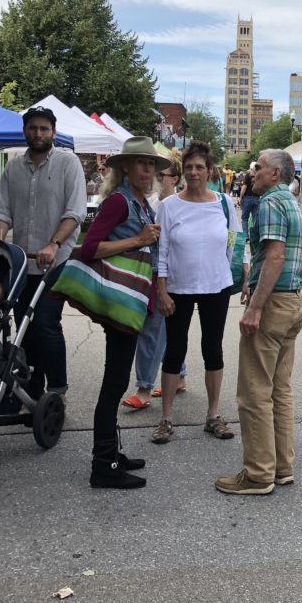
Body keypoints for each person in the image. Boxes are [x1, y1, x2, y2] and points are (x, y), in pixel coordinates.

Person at [215, 148, 302, 495]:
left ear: (276, 174)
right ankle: (281, 467)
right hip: (293, 301)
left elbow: (275, 255)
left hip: (274, 304)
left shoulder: (270, 202)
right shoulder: (295, 204)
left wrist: (255, 306)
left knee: (255, 391)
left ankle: (258, 474)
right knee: (279, 389)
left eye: (259, 167)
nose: (253, 172)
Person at [79, 136, 167, 490]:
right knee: (114, 382)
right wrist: (137, 240)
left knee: (117, 379)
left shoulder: (142, 204)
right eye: (141, 164)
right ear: (125, 167)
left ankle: (112, 450)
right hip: (119, 302)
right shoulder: (118, 202)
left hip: (134, 301)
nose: (148, 170)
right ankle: (103, 464)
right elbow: (89, 248)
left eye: (152, 165)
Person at [0, 107, 85, 399]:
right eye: (33, 128)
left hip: (56, 259)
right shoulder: (13, 168)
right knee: (24, 325)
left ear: (53, 132)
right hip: (22, 260)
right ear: (25, 132)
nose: (38, 134)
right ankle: (31, 383)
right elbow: (2, 211)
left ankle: (57, 388)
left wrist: (53, 243)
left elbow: (75, 212)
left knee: (45, 321)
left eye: (44, 129)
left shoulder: (68, 163)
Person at [152, 142, 239, 445]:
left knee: (212, 349)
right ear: (181, 172)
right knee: (174, 351)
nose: (194, 172)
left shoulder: (225, 203)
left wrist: (226, 274)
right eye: (189, 167)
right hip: (178, 288)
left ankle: (213, 415)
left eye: (199, 167)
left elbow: (232, 242)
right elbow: (160, 252)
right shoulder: (169, 206)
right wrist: (161, 289)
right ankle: (166, 419)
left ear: (210, 170)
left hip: (216, 286)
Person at [121, 151, 185, 410]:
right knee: (165, 330)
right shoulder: (150, 202)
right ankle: (178, 375)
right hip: (152, 271)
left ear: (175, 178)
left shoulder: (177, 204)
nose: (156, 178)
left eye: (162, 174)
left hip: (168, 274)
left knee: (152, 329)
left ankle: (144, 387)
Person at [240, 162, 261, 234]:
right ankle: (254, 235)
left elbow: (244, 187)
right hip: (257, 198)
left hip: (247, 198)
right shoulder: (259, 176)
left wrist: (240, 197)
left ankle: (245, 235)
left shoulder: (248, 176)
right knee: (255, 218)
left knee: (244, 218)